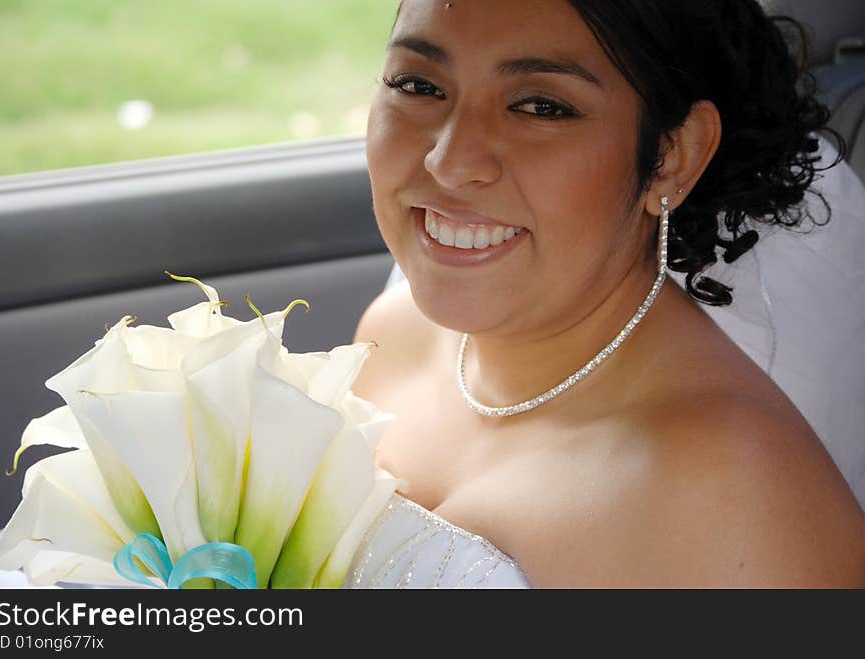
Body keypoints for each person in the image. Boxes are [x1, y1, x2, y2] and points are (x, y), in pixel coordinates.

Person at [345, 0, 865, 587]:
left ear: (672, 157)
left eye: (541, 107)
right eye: (417, 85)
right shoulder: (389, 337)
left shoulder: (735, 489)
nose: (449, 161)